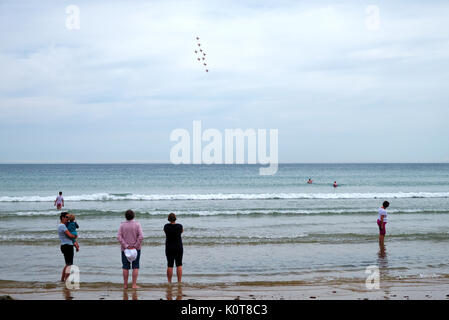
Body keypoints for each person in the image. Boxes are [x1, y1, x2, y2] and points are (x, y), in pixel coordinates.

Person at [117, 209, 143, 289]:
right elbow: (141, 236)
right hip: (136, 249)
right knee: (135, 266)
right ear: (133, 216)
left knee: (125, 267)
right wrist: (135, 245)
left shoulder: (122, 225)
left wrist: (126, 245)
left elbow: (119, 237)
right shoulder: (137, 224)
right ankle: (134, 285)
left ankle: (125, 285)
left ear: (126, 216)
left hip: (125, 249)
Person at [164, 213, 183, 283]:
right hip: (178, 247)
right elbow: (182, 231)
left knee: (170, 264)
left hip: (169, 247)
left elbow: (165, 232)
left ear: (169, 219)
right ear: (175, 218)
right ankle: (179, 281)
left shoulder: (166, 226)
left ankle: (169, 282)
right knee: (179, 264)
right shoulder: (179, 226)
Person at [58, 212, 77, 282]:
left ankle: (62, 280)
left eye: (69, 217)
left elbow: (70, 237)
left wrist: (75, 243)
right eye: (67, 217)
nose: (68, 219)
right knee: (69, 265)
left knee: (67, 264)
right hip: (67, 246)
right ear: (62, 217)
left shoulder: (63, 225)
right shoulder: (62, 226)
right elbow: (70, 235)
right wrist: (75, 236)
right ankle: (66, 281)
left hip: (65, 245)